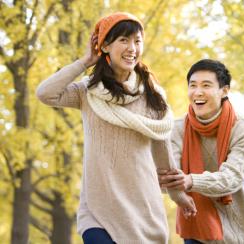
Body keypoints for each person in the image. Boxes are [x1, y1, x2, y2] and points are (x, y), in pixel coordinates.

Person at [36, 12, 196, 244]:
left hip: (143, 209)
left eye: (137, 41)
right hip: (97, 210)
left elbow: (163, 151)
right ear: (106, 46)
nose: (132, 48)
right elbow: (45, 93)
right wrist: (85, 62)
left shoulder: (153, 95)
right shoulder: (87, 92)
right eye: (124, 40)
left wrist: (178, 194)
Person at [158, 59, 244, 244]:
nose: (198, 92)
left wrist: (190, 180)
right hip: (197, 232)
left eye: (206, 85)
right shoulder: (176, 129)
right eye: (193, 85)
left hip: (239, 237)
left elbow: (232, 178)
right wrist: (171, 184)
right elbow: (166, 179)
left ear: (224, 91)